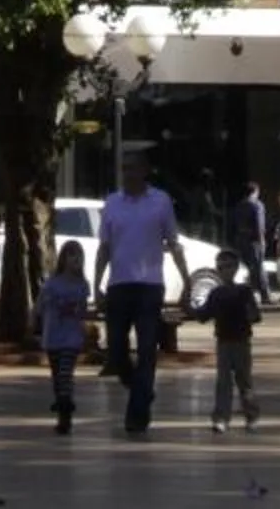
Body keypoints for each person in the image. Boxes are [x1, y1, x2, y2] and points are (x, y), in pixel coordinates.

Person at [94, 147, 192, 436]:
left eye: (133, 168)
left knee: (148, 348)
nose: (127, 174)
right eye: (124, 168)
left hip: (149, 286)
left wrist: (186, 280)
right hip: (119, 285)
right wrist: (97, 283)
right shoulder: (112, 203)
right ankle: (140, 387)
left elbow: (173, 242)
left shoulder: (160, 202)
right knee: (117, 351)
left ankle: (137, 414)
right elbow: (104, 247)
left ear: (145, 171)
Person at [198, 245, 262, 434]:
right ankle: (221, 418)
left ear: (236, 268)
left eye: (230, 266)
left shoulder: (244, 292)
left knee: (244, 381)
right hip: (224, 342)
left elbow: (255, 316)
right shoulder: (216, 294)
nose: (226, 271)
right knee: (223, 382)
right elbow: (203, 315)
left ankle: (251, 416)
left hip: (241, 341)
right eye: (222, 267)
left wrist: (249, 311)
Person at [38, 237, 92, 436]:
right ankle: (62, 410)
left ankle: (66, 408)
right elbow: (41, 306)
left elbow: (83, 311)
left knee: (65, 373)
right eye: (71, 255)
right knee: (57, 376)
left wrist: (77, 310)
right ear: (63, 258)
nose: (75, 260)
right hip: (53, 336)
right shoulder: (52, 284)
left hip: (71, 337)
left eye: (78, 256)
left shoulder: (82, 285)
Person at [230, 179, 269, 288]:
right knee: (259, 267)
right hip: (254, 241)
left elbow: (233, 224)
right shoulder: (257, 205)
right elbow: (259, 224)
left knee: (246, 267)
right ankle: (264, 294)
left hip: (240, 239)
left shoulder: (238, 206)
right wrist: (262, 241)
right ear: (255, 191)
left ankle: (248, 292)